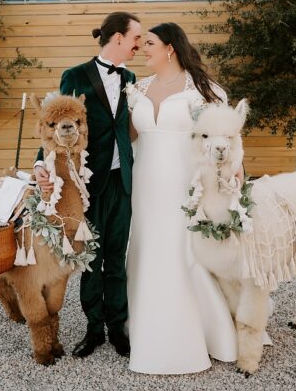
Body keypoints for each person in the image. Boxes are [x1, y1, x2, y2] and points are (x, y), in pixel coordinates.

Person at [123, 22, 248, 374]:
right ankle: (143, 325)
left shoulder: (204, 91)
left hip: (183, 184)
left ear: (170, 48)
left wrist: (236, 167)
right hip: (145, 183)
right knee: (147, 247)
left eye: (149, 43)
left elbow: (226, 134)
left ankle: (201, 330)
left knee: (182, 249)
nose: (143, 49)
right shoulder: (138, 89)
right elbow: (130, 137)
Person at [34, 11, 139, 358]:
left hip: (121, 180)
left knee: (116, 256)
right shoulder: (75, 76)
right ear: (118, 38)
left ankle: (118, 328)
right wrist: (40, 165)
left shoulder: (131, 77)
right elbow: (56, 122)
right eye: (135, 38)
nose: (138, 44)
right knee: (91, 258)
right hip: (85, 183)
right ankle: (94, 329)